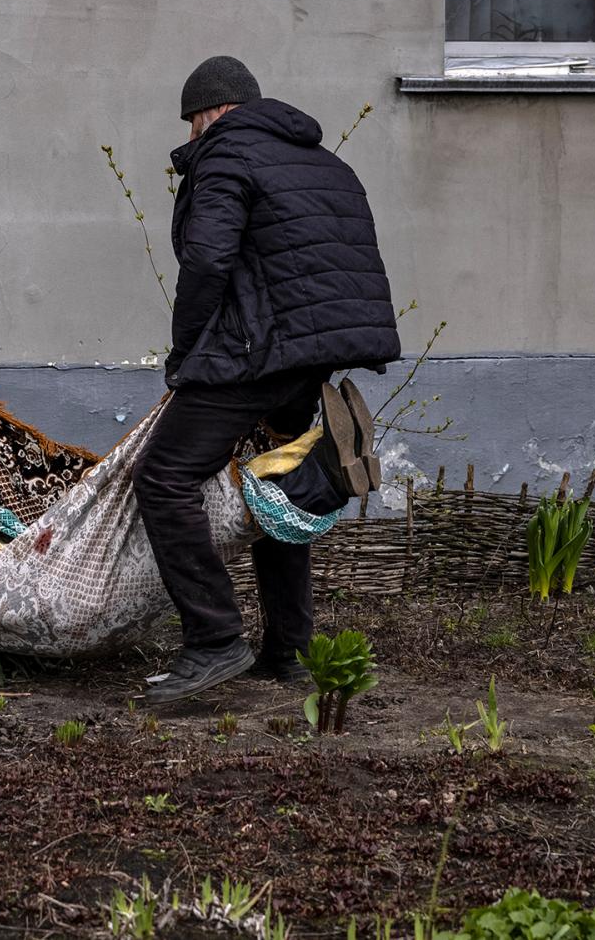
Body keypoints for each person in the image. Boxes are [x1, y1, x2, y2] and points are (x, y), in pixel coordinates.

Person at [133, 56, 401, 704]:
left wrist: (187, 353)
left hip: (250, 351)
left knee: (163, 477)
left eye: (192, 124)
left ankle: (214, 636)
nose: (192, 137)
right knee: (273, 484)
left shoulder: (226, 154)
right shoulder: (321, 161)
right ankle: (289, 648)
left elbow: (206, 259)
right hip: (306, 357)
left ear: (208, 114)